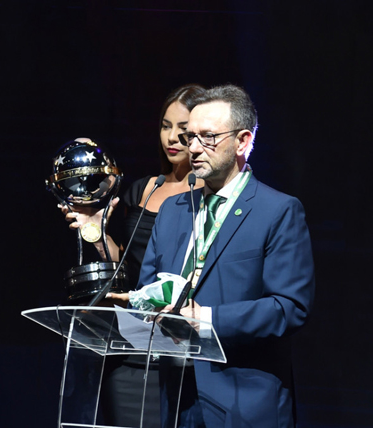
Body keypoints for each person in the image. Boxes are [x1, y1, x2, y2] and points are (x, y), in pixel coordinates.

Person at [135, 84, 315, 427]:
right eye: (191, 138)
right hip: (178, 401)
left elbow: (290, 307)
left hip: (243, 401)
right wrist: (142, 305)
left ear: (243, 141)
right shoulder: (173, 210)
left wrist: (208, 319)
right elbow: (150, 287)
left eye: (208, 137)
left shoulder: (277, 211)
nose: (195, 149)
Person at [60, 84, 206, 428]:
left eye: (183, 130)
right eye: (165, 126)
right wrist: (94, 230)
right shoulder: (145, 188)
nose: (171, 138)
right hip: (129, 349)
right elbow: (124, 266)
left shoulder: (211, 196)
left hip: (181, 351)